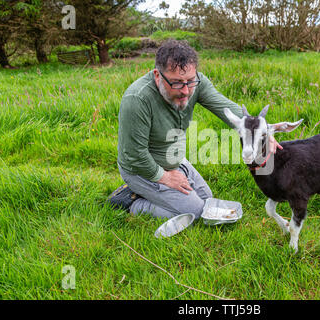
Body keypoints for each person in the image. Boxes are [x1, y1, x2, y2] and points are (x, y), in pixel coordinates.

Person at [109, 39, 281, 219]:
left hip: (174, 158)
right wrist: (164, 177)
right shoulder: (137, 99)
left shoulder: (196, 83)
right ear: (157, 76)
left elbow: (226, 109)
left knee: (207, 200)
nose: (185, 91)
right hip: (140, 168)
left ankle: (153, 191)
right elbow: (134, 155)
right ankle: (132, 203)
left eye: (190, 81)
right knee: (197, 213)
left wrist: (260, 131)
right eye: (176, 83)